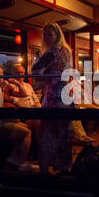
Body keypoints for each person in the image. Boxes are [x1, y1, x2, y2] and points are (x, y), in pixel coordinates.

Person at [32, 22, 73, 174]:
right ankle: (64, 168)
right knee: (64, 134)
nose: (46, 37)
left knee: (48, 133)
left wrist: (44, 78)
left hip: (54, 97)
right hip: (66, 96)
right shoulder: (66, 51)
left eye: (49, 34)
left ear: (57, 35)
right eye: (45, 34)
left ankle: (44, 170)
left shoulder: (53, 51)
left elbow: (34, 70)